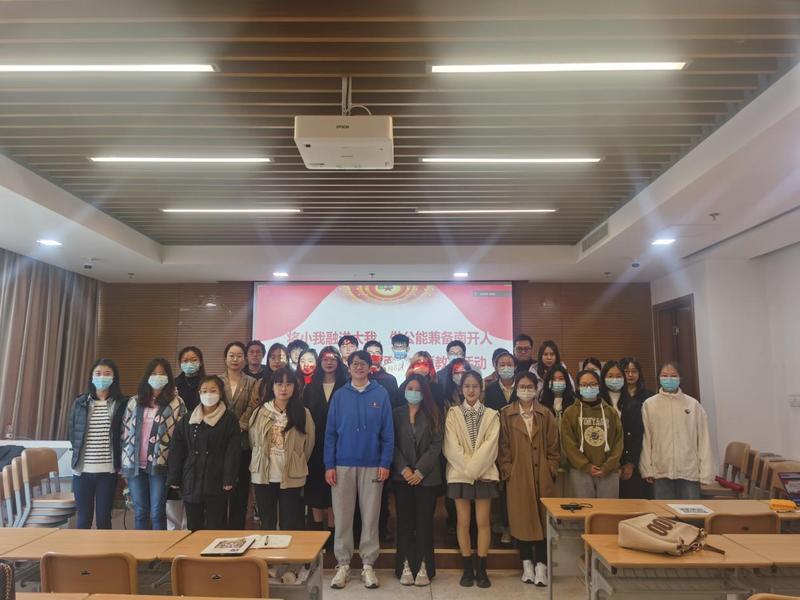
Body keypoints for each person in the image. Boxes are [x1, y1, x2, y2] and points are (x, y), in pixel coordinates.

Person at [325, 350, 394, 590]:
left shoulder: (381, 394)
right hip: (342, 465)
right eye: (354, 363)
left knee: (371, 517)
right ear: (349, 367)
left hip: (373, 465)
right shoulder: (340, 395)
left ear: (370, 367)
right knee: (342, 517)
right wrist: (329, 465)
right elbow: (330, 434)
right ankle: (343, 564)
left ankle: (368, 564)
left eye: (363, 363)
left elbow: (388, 434)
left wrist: (385, 463)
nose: (359, 367)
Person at [498, 372, 559, 587]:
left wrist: (551, 469)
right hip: (518, 476)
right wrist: (508, 471)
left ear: (536, 389)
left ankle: (541, 565)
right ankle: (527, 565)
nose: (526, 390)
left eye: (529, 386)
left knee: (543, 520)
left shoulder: (546, 414)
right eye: (522, 386)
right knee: (521, 519)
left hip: (543, 475)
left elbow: (554, 447)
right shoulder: (506, 414)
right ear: (516, 389)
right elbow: (503, 447)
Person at [444, 370, 500, 589]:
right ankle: (467, 569)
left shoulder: (492, 414)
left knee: (483, 522)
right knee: (463, 522)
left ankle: (482, 569)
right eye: (467, 386)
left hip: (485, 474)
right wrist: (469, 470)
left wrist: (475, 470)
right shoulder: (453, 413)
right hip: (460, 474)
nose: (471, 390)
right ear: (461, 389)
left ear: (481, 389)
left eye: (475, 386)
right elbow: (451, 447)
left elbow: (491, 446)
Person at [167, 375, 240, 530]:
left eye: (213, 390)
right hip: (191, 478)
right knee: (193, 526)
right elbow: (177, 449)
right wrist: (174, 476)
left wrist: (229, 478)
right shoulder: (188, 419)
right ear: (199, 393)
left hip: (217, 478)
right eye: (204, 391)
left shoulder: (229, 419)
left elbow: (232, 451)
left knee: (216, 525)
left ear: (220, 393)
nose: (208, 394)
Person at [121, 358, 187, 530]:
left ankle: (160, 548)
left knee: (157, 512)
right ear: (147, 376)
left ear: (169, 378)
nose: (158, 377)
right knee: (140, 512)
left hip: (161, 464)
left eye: (162, 374)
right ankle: (142, 547)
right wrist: (124, 465)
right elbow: (124, 433)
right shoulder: (134, 401)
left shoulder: (176, 403)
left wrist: (176, 467)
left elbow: (182, 437)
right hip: (134, 464)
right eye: (154, 373)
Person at [392, 374, 443, 587]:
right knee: (404, 522)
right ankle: (404, 564)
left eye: (418, 389)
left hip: (427, 477)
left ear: (425, 393)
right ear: (404, 389)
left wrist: (420, 471)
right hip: (402, 477)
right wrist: (404, 469)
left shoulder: (434, 413)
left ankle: (424, 565)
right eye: (410, 388)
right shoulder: (396, 413)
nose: (413, 392)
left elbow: (436, 445)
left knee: (424, 523)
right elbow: (391, 443)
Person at [249, 366, 315, 530]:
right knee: (267, 522)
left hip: (292, 474)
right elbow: (253, 442)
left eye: (288, 384)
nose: (283, 389)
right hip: (263, 475)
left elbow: (308, 445)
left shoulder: (303, 413)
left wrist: (297, 460)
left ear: (295, 387)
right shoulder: (260, 412)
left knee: (289, 523)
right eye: (279, 384)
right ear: (272, 386)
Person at [640, 362, 714, 499]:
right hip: (660, 470)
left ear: (680, 378)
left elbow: (704, 439)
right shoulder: (649, 405)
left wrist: (706, 473)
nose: (669, 379)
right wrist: (647, 469)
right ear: (658, 378)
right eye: (664, 375)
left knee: (691, 511)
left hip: (689, 471)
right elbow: (646, 439)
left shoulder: (693, 404)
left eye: (673, 376)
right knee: (664, 511)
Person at [68, 359, 127, 529]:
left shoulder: (122, 404)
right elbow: (72, 432)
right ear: (92, 377)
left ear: (114, 378)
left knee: (104, 519)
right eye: (98, 373)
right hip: (82, 471)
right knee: (83, 519)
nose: (102, 377)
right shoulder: (80, 402)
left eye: (107, 374)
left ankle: (104, 548)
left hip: (107, 471)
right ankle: (82, 548)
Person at [304, 347, 347, 535]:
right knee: (315, 488)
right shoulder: (310, 387)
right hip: (314, 446)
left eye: (333, 359)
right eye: (325, 359)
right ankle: (316, 531)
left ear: (339, 362)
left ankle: (332, 534)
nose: (329, 363)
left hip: (340, 445)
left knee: (334, 490)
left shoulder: (346, 386)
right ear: (319, 362)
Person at [561, 369, 623, 498]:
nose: (588, 388)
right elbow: (568, 444)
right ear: (578, 387)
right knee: (584, 508)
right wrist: (585, 466)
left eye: (593, 384)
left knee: (608, 509)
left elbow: (618, 442)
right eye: (584, 385)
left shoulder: (611, 412)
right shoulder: (570, 412)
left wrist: (607, 466)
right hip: (580, 470)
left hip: (608, 471)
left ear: (599, 385)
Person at [219, 341, 261, 529]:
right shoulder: (216, 381)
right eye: (231, 355)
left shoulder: (252, 382)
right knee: (219, 489)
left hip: (243, 443)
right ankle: (218, 528)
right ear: (225, 358)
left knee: (241, 489)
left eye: (239, 356)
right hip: (219, 443)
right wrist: (226, 429)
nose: (235, 359)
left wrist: (239, 427)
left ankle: (236, 529)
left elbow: (253, 406)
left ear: (244, 359)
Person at [617, 357, 654, 499]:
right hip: (620, 453)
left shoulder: (649, 397)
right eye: (626, 371)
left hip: (642, 451)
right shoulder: (616, 396)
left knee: (639, 496)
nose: (630, 375)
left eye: (634, 371)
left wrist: (631, 462)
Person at [539, 364, 577, 496]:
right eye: (553, 379)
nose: (557, 382)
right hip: (550, 459)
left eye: (561, 379)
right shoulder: (541, 404)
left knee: (571, 496)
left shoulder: (575, 403)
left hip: (572, 460)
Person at [364, 340, 399, 405]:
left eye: (377, 353)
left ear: (382, 357)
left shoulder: (390, 379)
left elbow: (394, 404)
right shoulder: (358, 378)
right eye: (370, 353)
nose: (373, 355)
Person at [176, 346, 205, 412]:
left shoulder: (207, 382)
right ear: (180, 363)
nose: (189, 363)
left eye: (194, 360)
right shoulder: (174, 383)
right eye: (185, 361)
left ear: (200, 362)